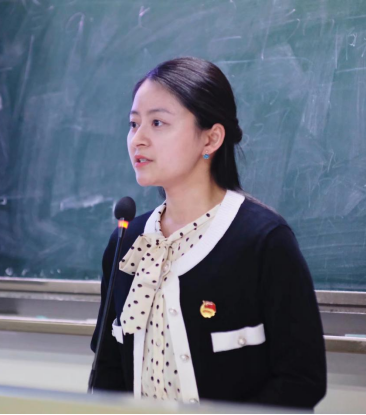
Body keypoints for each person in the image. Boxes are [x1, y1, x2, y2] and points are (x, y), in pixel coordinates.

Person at [90, 57, 327, 410]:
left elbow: (301, 380)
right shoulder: (127, 241)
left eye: (157, 123)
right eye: (133, 124)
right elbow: (108, 369)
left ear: (211, 138)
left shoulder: (263, 240)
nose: (138, 139)